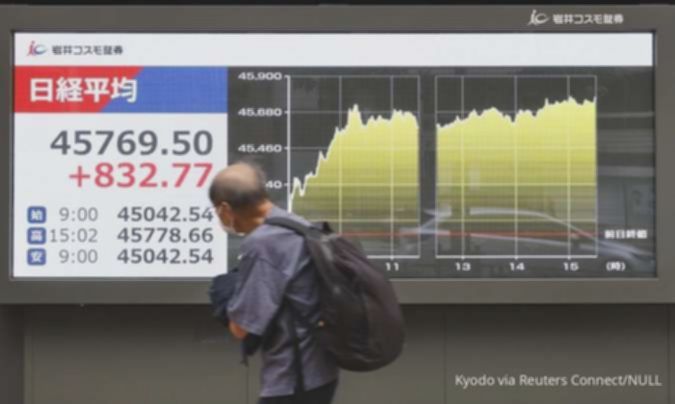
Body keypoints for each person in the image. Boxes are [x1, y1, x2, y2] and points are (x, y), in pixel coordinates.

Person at [209, 161, 339, 404]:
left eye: (216, 211)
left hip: (293, 378)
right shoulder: (297, 225)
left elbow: (242, 327)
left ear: (225, 208)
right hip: (321, 371)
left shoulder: (264, 244)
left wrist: (225, 294)